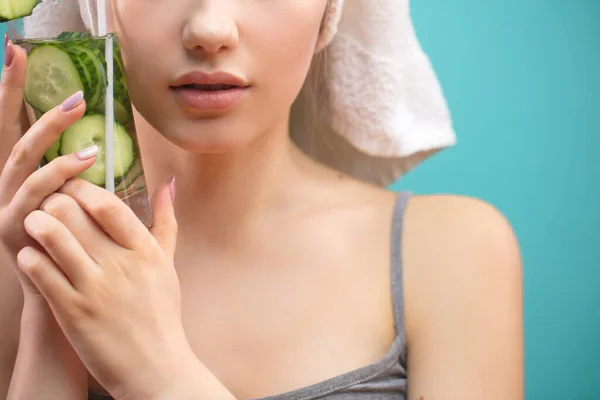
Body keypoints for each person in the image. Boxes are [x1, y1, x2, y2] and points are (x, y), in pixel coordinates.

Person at [0, 0, 524, 399]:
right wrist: (50, 301)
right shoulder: (18, 250)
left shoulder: (450, 253)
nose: (210, 29)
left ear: (328, 13)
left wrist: (156, 370)